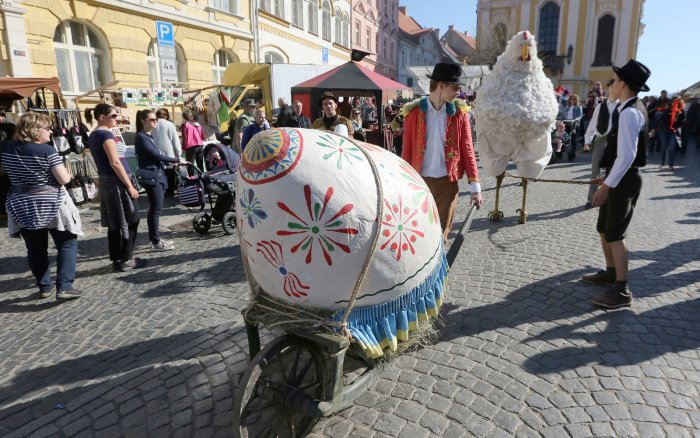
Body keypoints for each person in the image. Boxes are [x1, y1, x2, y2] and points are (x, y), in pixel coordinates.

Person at [584, 59, 650, 309]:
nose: (610, 85)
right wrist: (608, 176)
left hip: (625, 180)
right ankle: (611, 272)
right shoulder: (626, 109)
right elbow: (622, 156)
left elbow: (628, 156)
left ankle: (622, 291)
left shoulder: (631, 113)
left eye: (614, 81)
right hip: (618, 177)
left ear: (623, 84)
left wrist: (606, 185)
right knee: (604, 228)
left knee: (615, 233)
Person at [0, 112, 83, 300]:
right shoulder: (47, 151)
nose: (50, 131)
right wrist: (68, 174)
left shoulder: (6, 148)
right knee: (67, 242)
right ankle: (64, 287)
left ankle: (44, 286)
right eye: (47, 128)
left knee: (35, 248)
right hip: (50, 201)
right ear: (35, 130)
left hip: (20, 202)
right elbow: (62, 179)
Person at [401, 62, 483, 243]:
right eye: (455, 87)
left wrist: (475, 187)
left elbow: (468, 150)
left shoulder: (460, 114)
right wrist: (402, 184)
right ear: (441, 85)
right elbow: (406, 151)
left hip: (448, 184)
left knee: (441, 236)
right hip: (420, 185)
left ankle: (440, 270)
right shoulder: (413, 114)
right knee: (419, 235)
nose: (457, 92)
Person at [88, 103, 146, 272]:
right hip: (117, 181)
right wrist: (130, 186)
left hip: (107, 180)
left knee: (116, 222)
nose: (116, 119)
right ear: (101, 117)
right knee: (131, 219)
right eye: (113, 116)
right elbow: (115, 162)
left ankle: (117, 258)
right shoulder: (105, 134)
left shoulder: (94, 134)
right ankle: (126, 259)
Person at [134, 109, 185, 252]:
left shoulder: (146, 136)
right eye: (151, 120)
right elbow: (157, 156)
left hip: (156, 174)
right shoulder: (141, 137)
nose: (155, 122)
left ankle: (155, 239)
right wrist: (178, 160)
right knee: (155, 210)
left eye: (155, 119)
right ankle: (155, 241)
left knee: (156, 209)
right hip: (152, 176)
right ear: (143, 121)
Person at [583, 79, 619, 209]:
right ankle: (591, 199)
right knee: (595, 171)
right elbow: (592, 126)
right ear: (608, 89)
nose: (613, 90)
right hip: (600, 140)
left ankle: (608, 198)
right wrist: (587, 142)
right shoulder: (600, 106)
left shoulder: (623, 107)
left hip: (615, 142)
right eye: (611, 87)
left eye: (616, 88)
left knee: (612, 171)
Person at [152, 108, 181, 197]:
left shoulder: (153, 124)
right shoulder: (170, 124)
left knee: (159, 172)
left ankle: (160, 191)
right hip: (169, 152)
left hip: (156, 152)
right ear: (166, 115)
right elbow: (175, 139)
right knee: (170, 173)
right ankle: (170, 191)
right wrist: (178, 152)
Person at [181, 110, 205, 174]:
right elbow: (202, 136)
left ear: (184, 117)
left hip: (191, 147)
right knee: (200, 164)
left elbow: (185, 138)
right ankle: (202, 178)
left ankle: (191, 180)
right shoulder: (197, 124)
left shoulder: (184, 125)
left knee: (190, 165)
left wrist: (183, 148)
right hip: (200, 145)